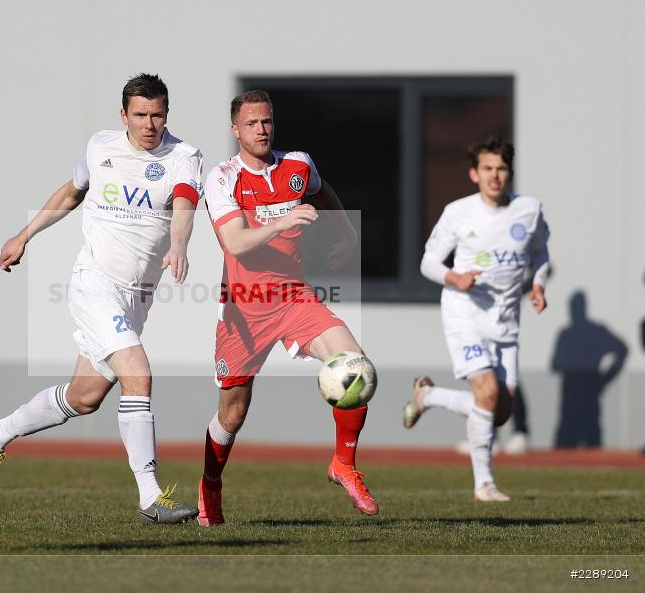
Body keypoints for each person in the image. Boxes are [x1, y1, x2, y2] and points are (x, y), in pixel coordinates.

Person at [0, 74, 202, 524]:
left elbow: (185, 205)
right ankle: (150, 497)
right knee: (138, 373)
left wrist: (179, 244)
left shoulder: (184, 157)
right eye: (140, 115)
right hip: (94, 282)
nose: (149, 124)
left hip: (137, 298)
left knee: (85, 396)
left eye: (157, 114)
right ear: (124, 116)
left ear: (167, 114)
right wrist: (24, 235)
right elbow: (72, 191)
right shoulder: (101, 148)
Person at [197, 90, 376, 526]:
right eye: (252, 123)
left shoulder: (298, 165)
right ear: (235, 129)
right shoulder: (222, 178)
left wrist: (346, 233)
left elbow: (321, 189)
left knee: (356, 366)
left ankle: (343, 464)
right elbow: (236, 242)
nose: (261, 129)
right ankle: (210, 484)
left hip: (294, 297)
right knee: (233, 413)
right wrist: (281, 221)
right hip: (245, 309)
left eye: (267, 121)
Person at [403, 136, 550, 502]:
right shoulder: (458, 212)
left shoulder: (529, 210)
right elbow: (428, 263)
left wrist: (539, 285)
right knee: (486, 393)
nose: (494, 176)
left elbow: (541, 253)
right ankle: (484, 485)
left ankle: (429, 395)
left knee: (499, 411)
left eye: (501, 168)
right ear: (474, 173)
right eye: (487, 169)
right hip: (463, 312)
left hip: (506, 321)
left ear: (510, 173)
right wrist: (455, 277)